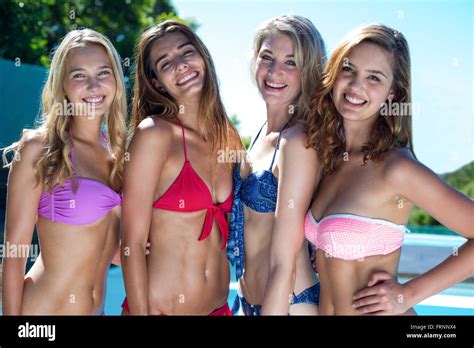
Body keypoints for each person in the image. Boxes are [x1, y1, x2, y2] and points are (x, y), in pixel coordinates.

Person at [262, 24, 473, 315]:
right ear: (334, 75)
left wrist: (406, 295)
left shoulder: (396, 168)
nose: (356, 86)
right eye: (348, 70)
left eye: (374, 78)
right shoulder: (331, 160)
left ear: (392, 93)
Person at [120, 20, 243, 315]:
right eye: (165, 63)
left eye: (187, 52)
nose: (181, 65)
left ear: (202, 57)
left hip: (218, 308)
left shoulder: (228, 138)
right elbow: (132, 243)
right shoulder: (155, 135)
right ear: (157, 83)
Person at [2, 29, 127, 315]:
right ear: (63, 85)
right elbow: (14, 254)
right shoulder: (40, 148)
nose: (94, 85)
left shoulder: (118, 157)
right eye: (80, 75)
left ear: (117, 81)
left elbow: (113, 251)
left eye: (103, 72)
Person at [228, 15, 326, 315]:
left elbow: (285, 262)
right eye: (267, 57)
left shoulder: (297, 143)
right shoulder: (261, 135)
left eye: (290, 62)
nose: (274, 71)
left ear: (308, 71)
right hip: (251, 303)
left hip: (290, 305)